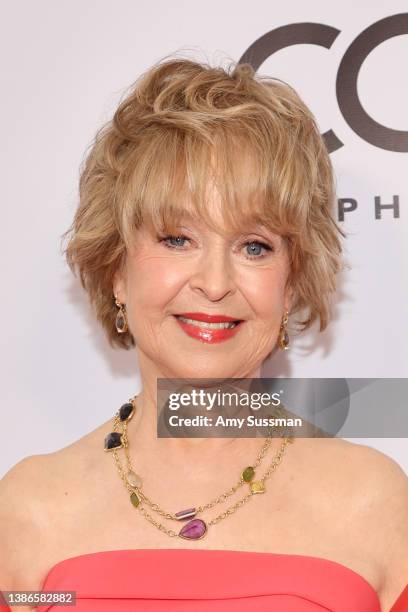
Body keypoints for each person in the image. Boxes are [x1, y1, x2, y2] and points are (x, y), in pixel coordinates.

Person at [0, 56, 407, 612]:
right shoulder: (28, 509)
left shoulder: (377, 502)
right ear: (116, 269)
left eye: (254, 246)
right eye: (176, 238)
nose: (215, 284)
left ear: (290, 288)